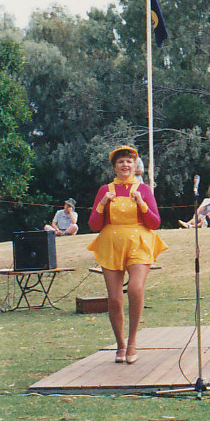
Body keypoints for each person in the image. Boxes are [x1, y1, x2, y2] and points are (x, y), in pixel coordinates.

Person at [87, 145, 168, 364]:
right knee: (114, 298)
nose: (125, 164)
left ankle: (132, 341)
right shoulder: (105, 190)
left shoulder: (144, 190)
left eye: (129, 161)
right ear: (114, 167)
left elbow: (155, 223)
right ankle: (120, 343)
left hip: (139, 241)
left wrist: (141, 204)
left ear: (135, 166)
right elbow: (94, 225)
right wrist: (102, 205)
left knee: (136, 288)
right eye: (121, 161)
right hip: (111, 242)